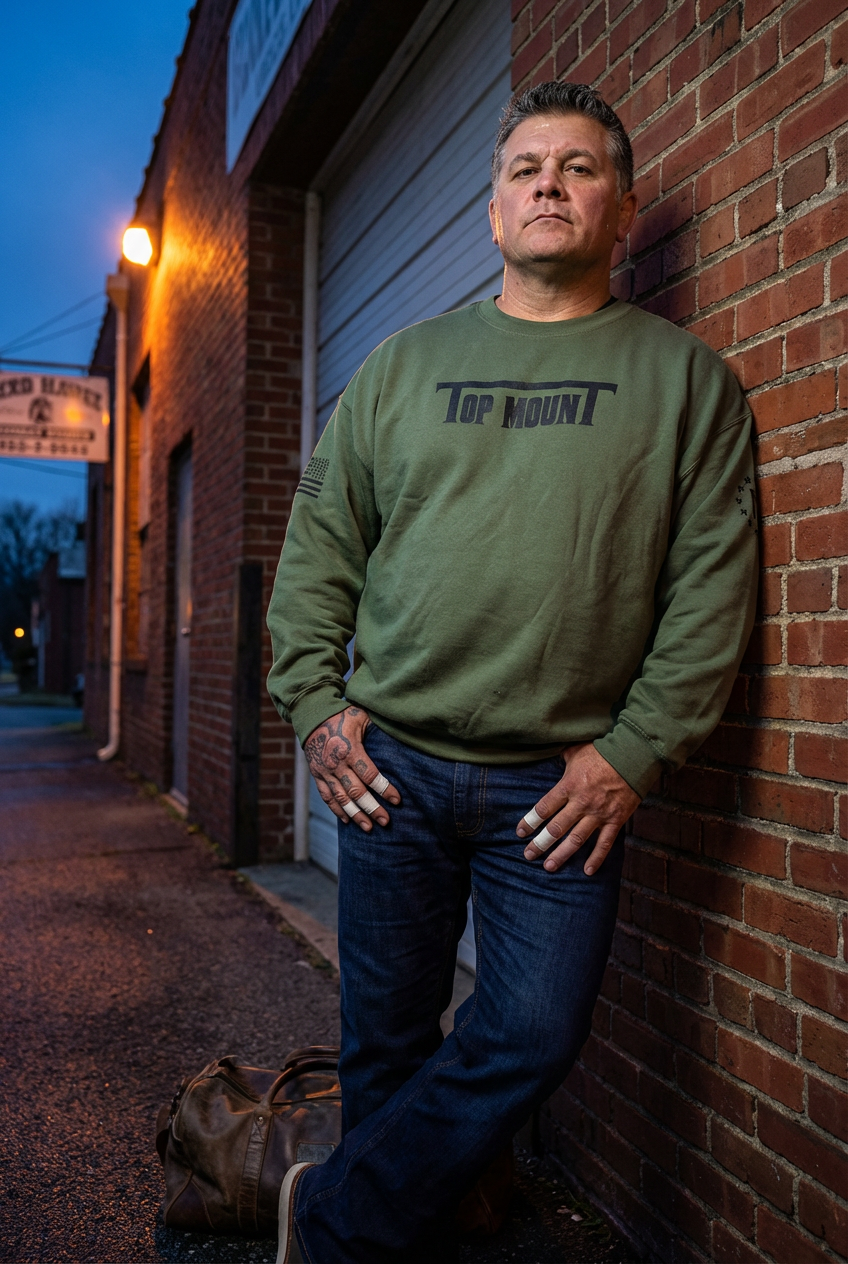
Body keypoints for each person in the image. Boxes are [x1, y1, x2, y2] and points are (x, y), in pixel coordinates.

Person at [267, 80, 758, 1264]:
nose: (547, 183)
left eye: (578, 167)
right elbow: (318, 551)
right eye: (524, 166)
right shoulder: (398, 366)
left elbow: (710, 594)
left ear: (621, 211)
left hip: (560, 786)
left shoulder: (685, 383)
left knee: (532, 1030)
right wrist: (316, 707)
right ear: (492, 209)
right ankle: (381, 1238)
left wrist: (633, 753)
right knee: (384, 1037)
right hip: (390, 767)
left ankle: (327, 1220)